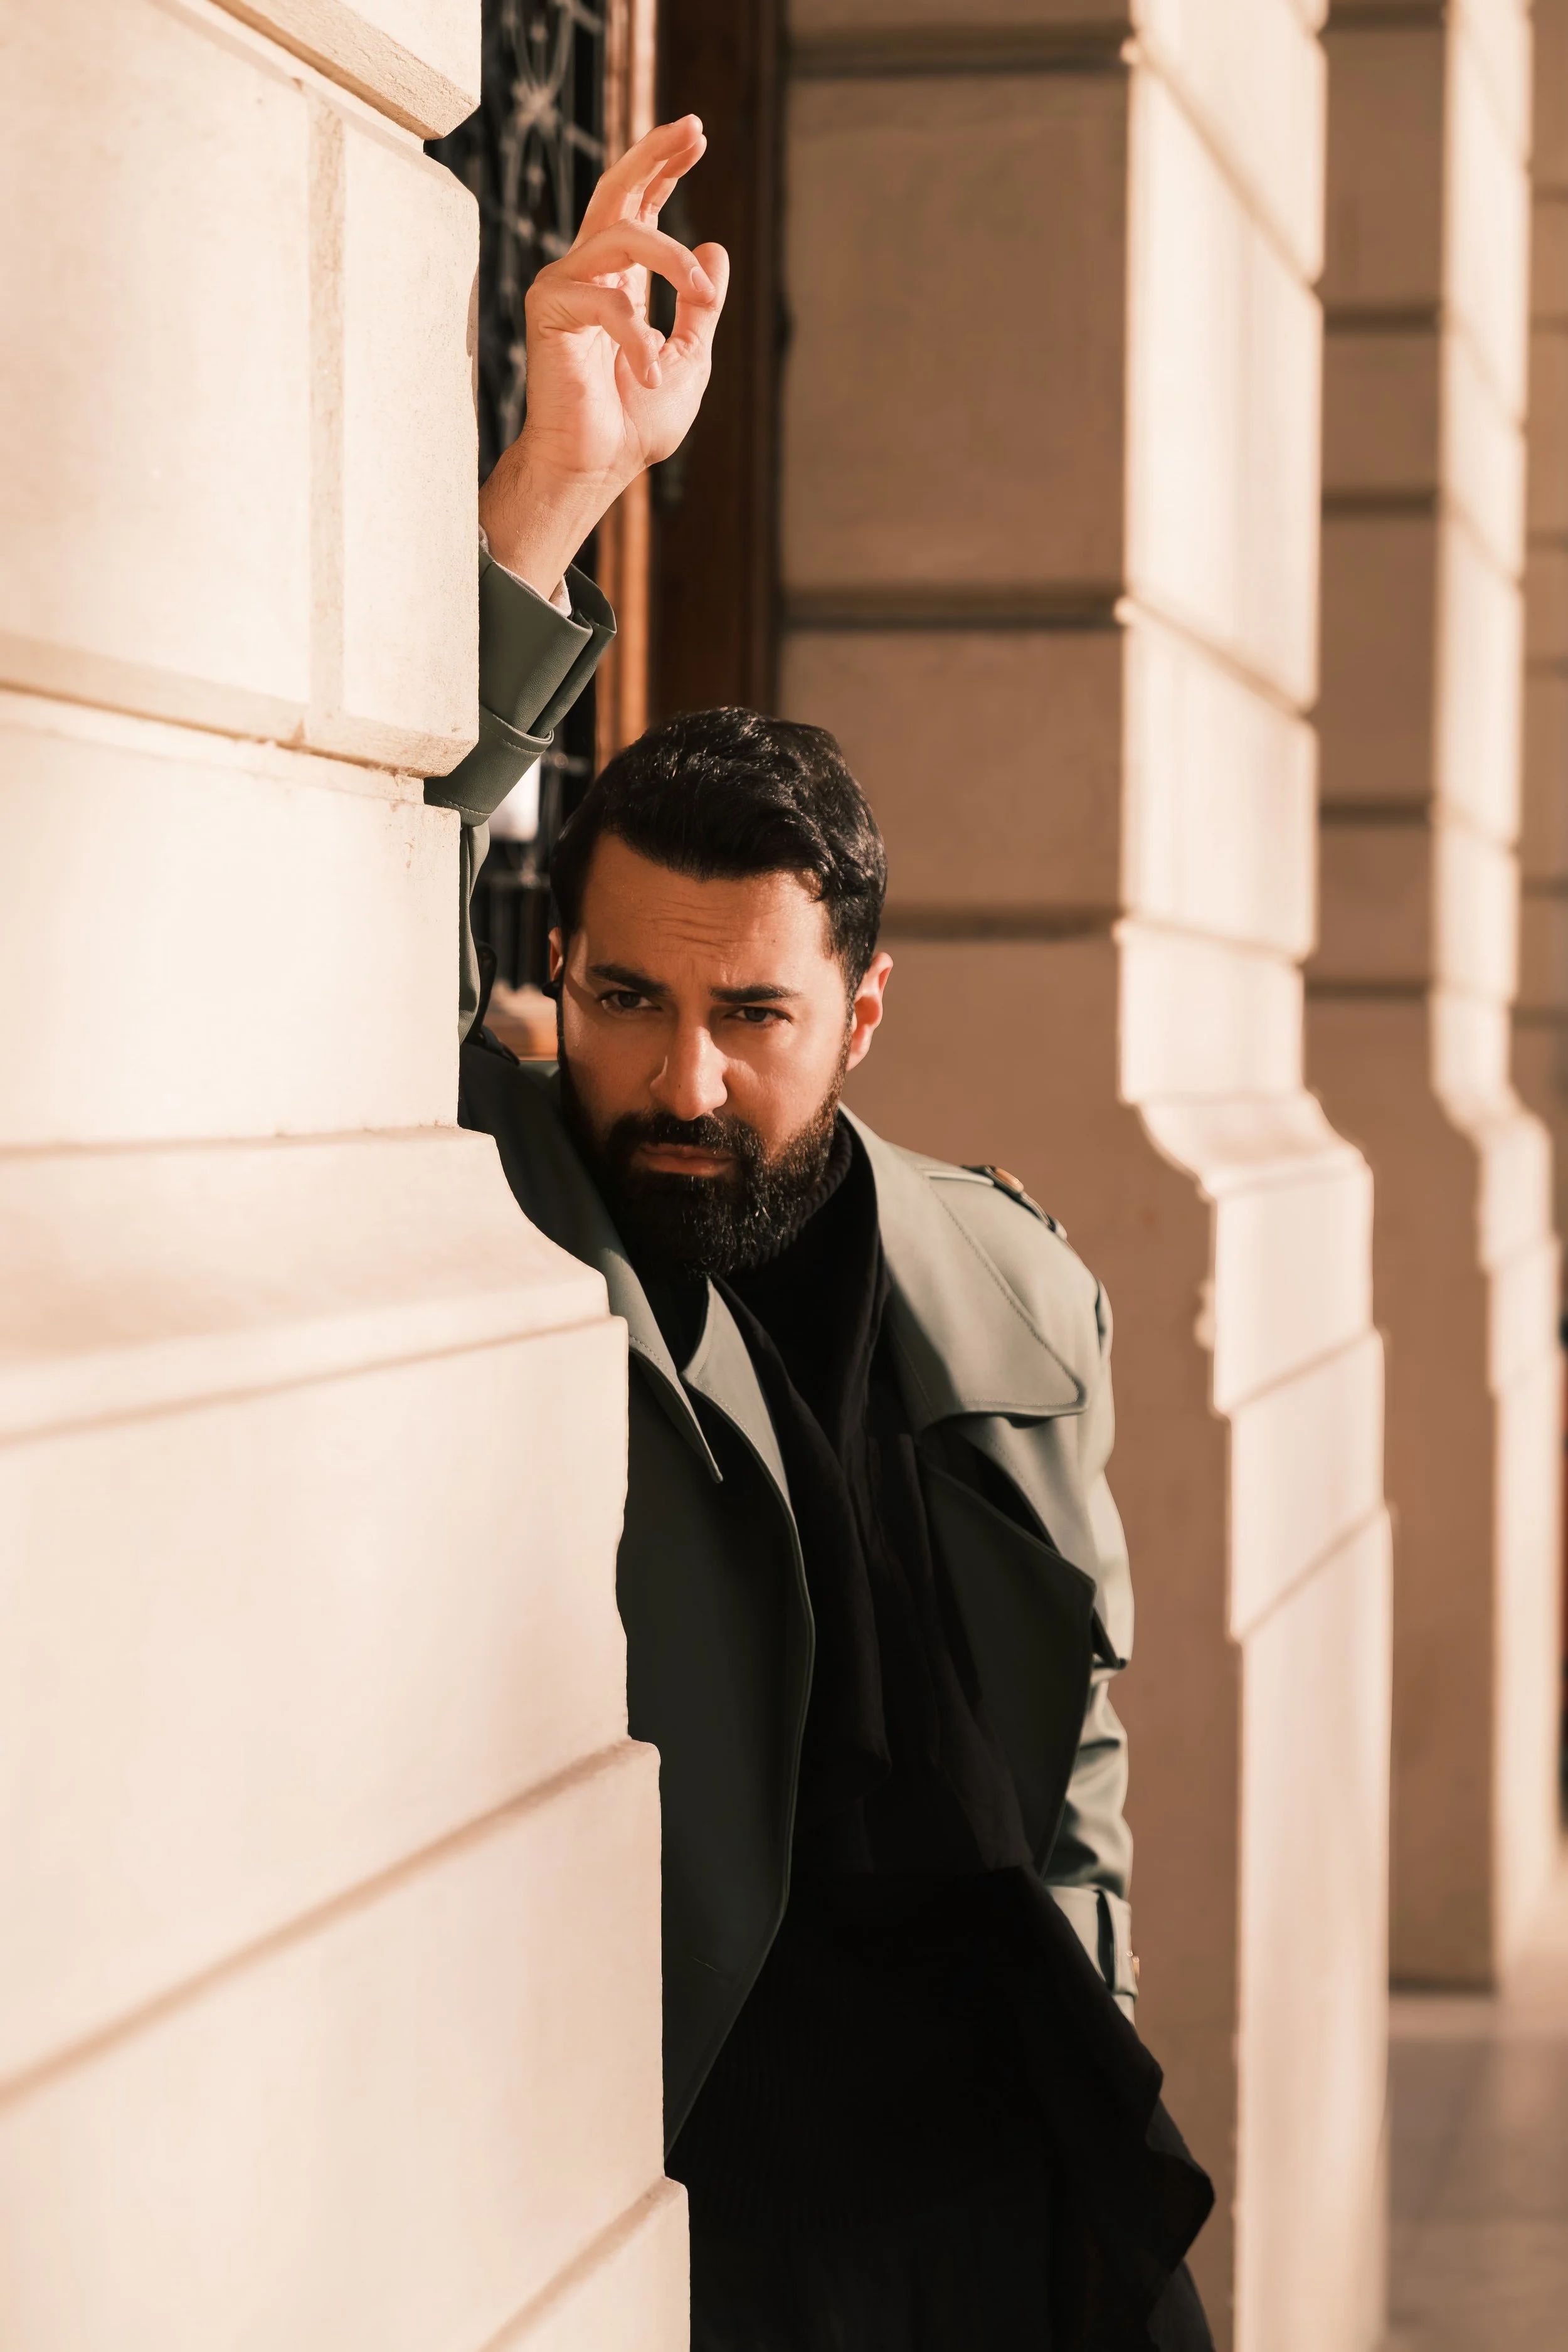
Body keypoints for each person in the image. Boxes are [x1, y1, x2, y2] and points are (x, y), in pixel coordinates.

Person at [426, 114, 1215, 2352]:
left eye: (750, 1015)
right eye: (628, 998)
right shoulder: (506, 1205)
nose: (678, 1079)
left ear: (861, 1012)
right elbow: (315, 920)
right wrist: (551, 501)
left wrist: (1106, 2028)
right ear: (559, 973)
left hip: (1020, 2169)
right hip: (701, 2185)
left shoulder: (1012, 1273)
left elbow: (1071, 1743)